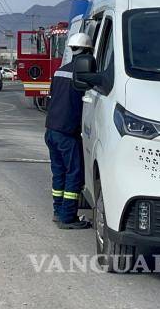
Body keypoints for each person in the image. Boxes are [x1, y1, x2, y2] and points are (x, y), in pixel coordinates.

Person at [44, 33, 93, 229]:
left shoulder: (59, 72)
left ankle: (58, 211)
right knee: (74, 173)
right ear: (88, 51)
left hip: (51, 130)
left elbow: (53, 98)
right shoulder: (84, 75)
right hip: (67, 134)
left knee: (59, 173)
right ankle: (67, 218)